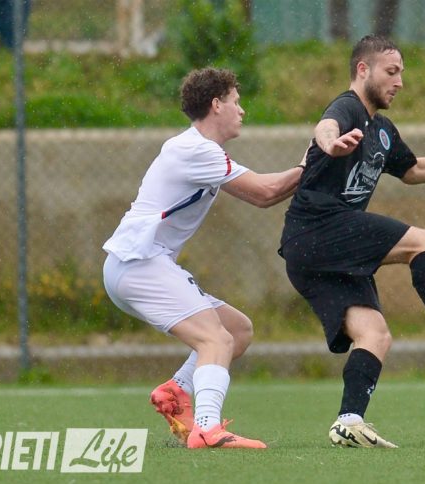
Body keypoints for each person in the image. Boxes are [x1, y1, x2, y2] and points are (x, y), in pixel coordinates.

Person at [278, 34, 425, 448]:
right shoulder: (349, 108)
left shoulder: (383, 131)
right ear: (363, 70)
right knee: (423, 241)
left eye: (401, 73)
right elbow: (325, 125)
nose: (399, 82)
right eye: (391, 72)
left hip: (312, 254)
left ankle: (349, 421)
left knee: (375, 335)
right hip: (318, 228)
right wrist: (329, 142)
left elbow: (414, 170)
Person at [102, 67, 304, 450]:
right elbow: (266, 191)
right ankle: (207, 429)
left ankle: (176, 391)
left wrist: (312, 165)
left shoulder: (198, 150)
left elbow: (266, 196)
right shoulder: (196, 150)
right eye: (235, 101)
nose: (241, 110)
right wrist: (315, 160)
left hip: (136, 265)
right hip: (139, 264)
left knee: (237, 331)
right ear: (216, 105)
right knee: (215, 339)